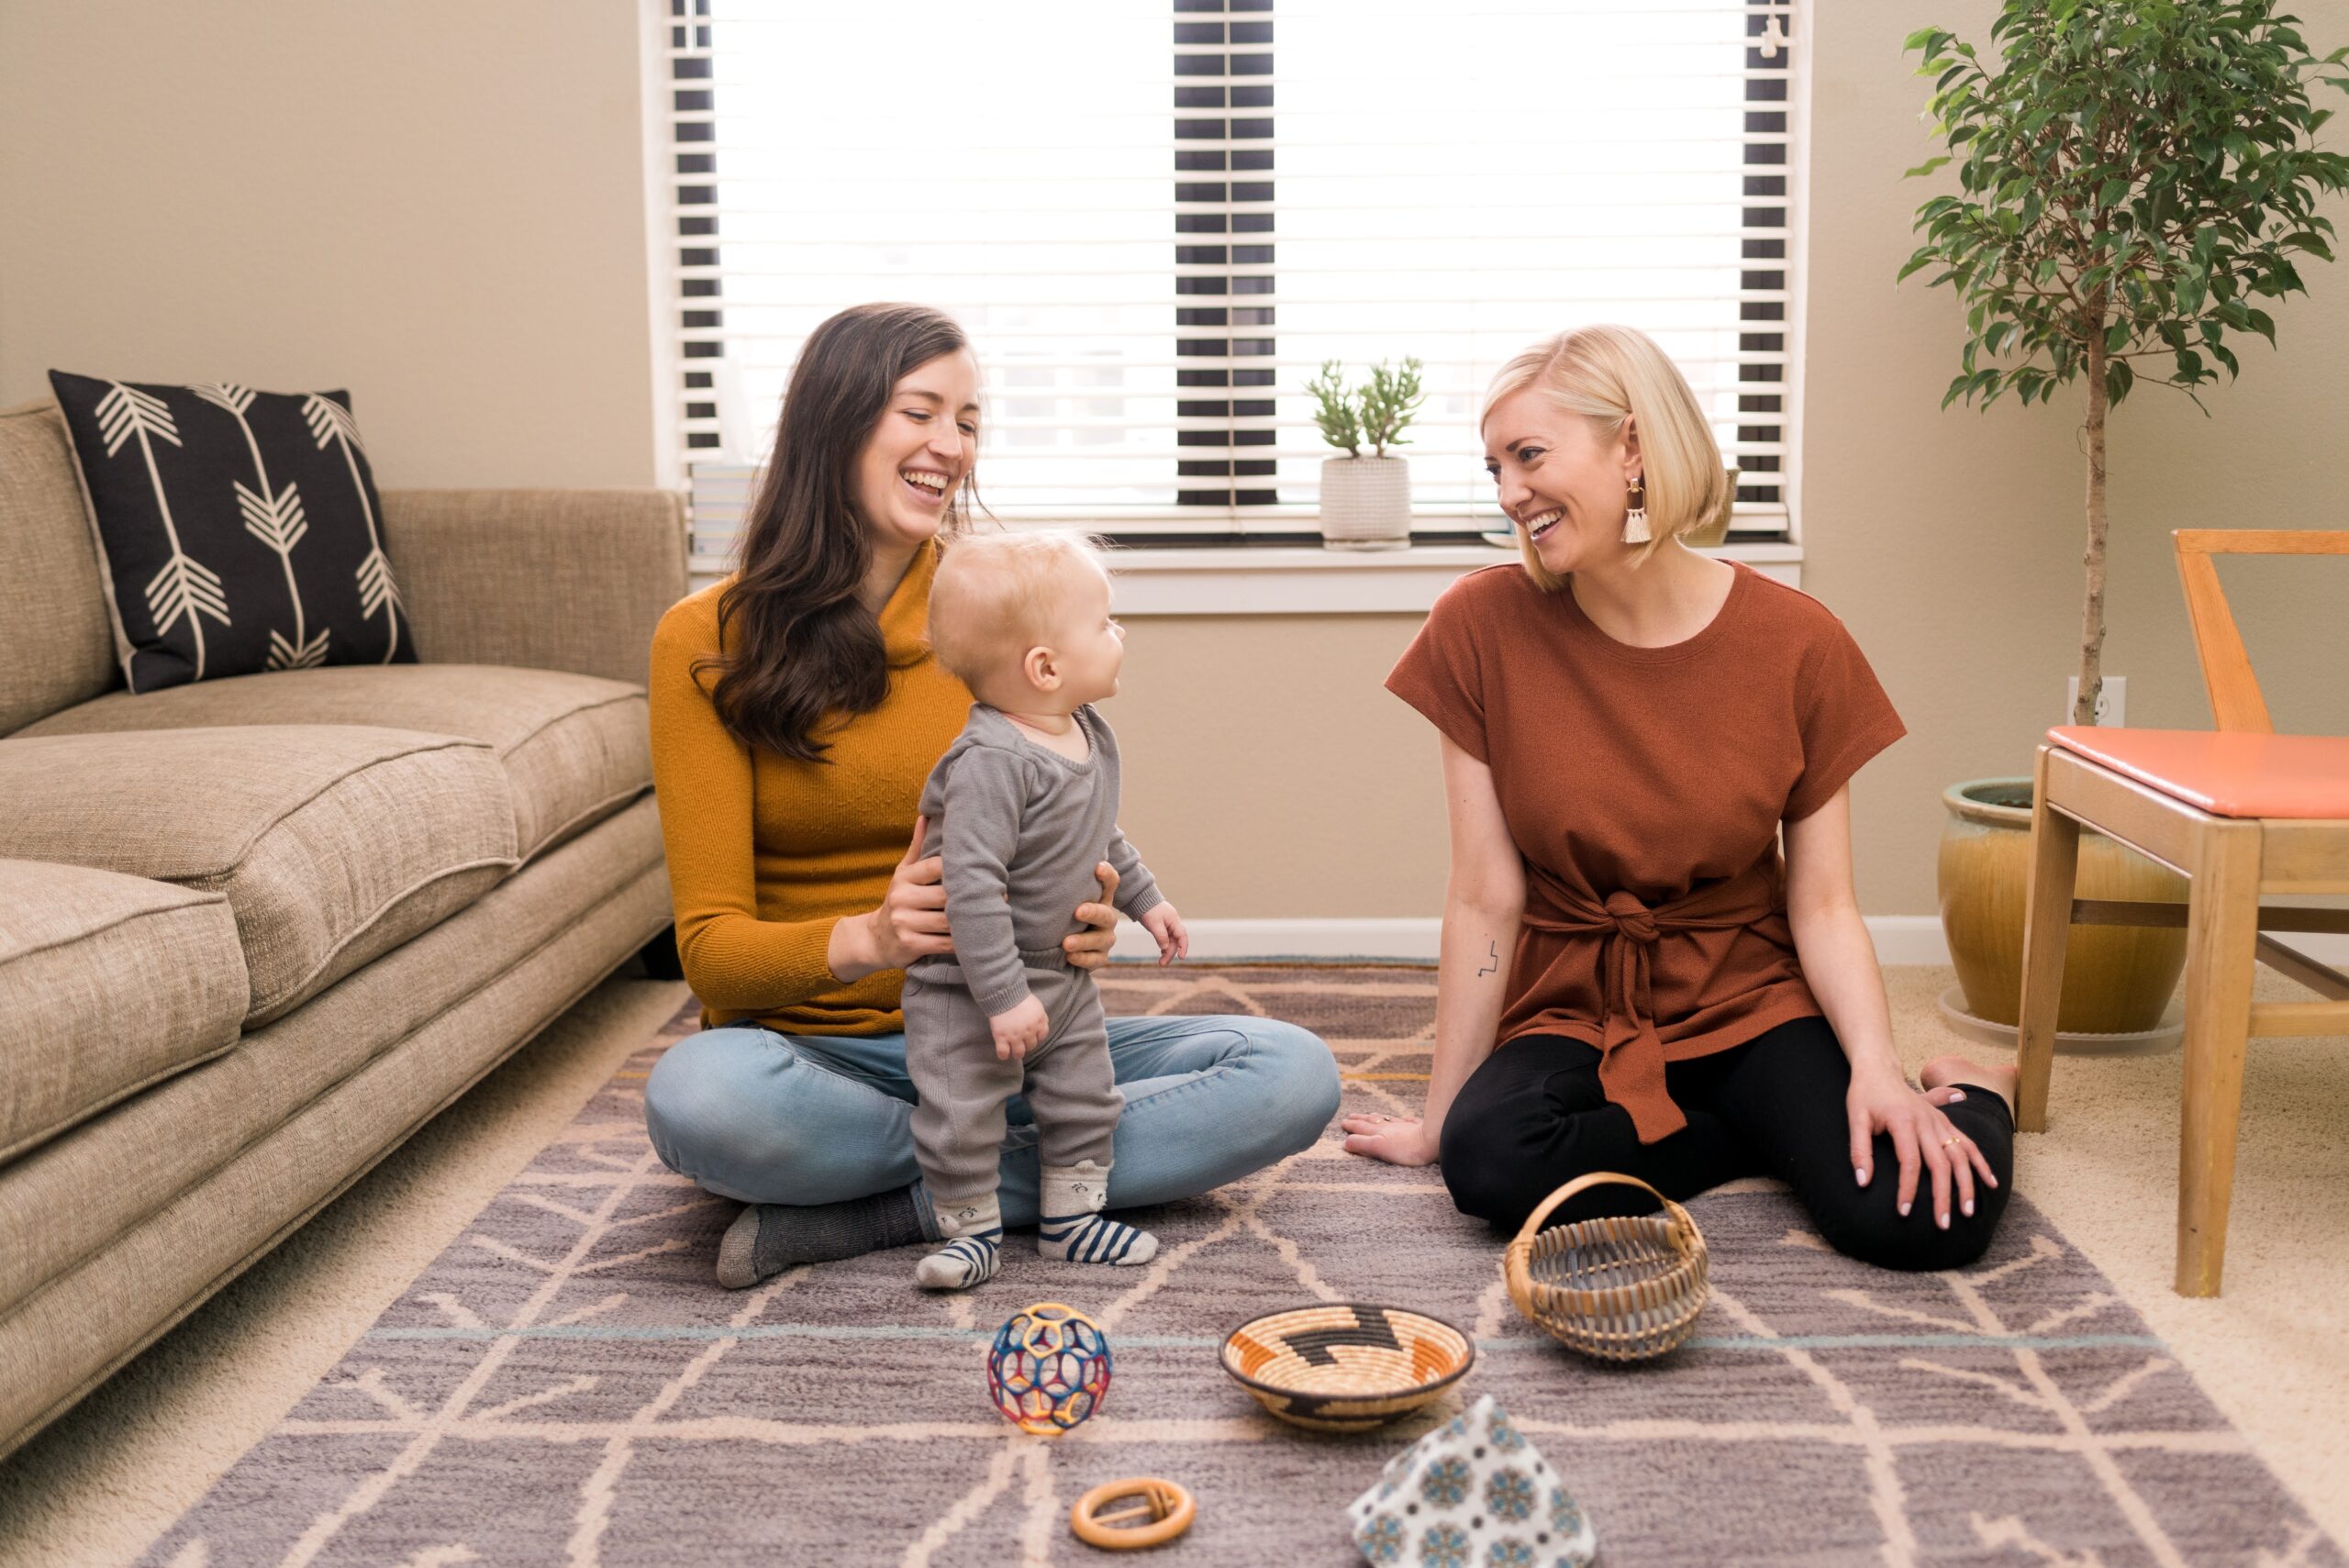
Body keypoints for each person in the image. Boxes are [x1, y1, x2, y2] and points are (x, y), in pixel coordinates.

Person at [641, 303, 1339, 1289]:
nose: (950, 446)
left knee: (1290, 1074)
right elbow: (710, 953)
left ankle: (905, 1204)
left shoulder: (996, 609)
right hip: (817, 1058)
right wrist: (871, 938)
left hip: (1013, 1031)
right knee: (698, 1104)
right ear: (832, 422)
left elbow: (1068, 826)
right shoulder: (703, 638)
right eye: (920, 411)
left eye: (967, 421)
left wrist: (1089, 916)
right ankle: (1040, 1174)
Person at [1341, 324, 2016, 1270]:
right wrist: (1437, 1118)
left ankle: (1976, 1089)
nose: (1508, 494)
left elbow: (1820, 903)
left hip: (1750, 994)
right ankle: (1749, 1136)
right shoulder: (1478, 625)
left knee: (1920, 1219)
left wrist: (1877, 1068)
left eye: (1529, 456)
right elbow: (1484, 897)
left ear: (1630, 447)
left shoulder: (1798, 644)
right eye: (1494, 466)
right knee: (1484, 1161)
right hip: (1577, 999)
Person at [901, 530, 1186, 1290]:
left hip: (1062, 982)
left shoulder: (1084, 732)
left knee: (1088, 1098)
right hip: (970, 992)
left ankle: (1072, 1222)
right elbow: (972, 885)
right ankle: (968, 1230)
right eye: (1103, 623)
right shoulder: (991, 761)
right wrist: (1001, 997)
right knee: (962, 1114)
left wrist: (1146, 898)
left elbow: (1102, 835)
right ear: (1045, 666)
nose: (1118, 633)